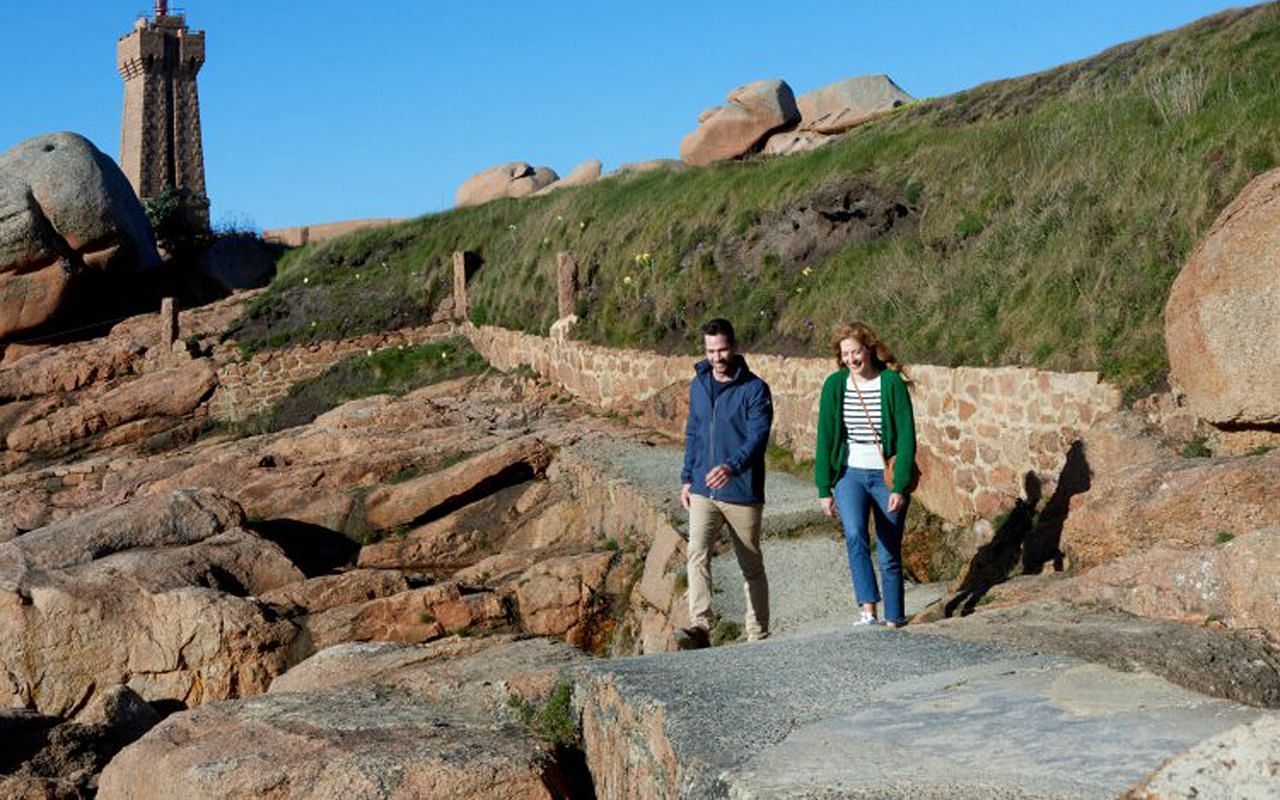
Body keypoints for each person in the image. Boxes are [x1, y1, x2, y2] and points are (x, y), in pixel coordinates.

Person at [678, 318, 774, 649]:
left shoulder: (754, 388)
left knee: (750, 563)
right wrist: (687, 477)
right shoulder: (699, 383)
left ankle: (758, 633)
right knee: (696, 553)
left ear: (733, 347)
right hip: (704, 489)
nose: (717, 357)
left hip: (741, 492)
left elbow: (758, 437)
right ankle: (700, 625)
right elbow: (693, 432)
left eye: (722, 350)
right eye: (710, 351)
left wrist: (732, 467)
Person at [813, 322, 917, 628]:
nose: (852, 359)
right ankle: (868, 611)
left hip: (885, 477)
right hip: (850, 475)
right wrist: (823, 488)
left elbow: (908, 437)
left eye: (856, 351)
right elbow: (825, 437)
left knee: (888, 549)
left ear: (869, 348)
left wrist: (899, 486)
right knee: (856, 535)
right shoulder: (835, 385)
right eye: (845, 354)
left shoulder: (891, 383)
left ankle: (894, 616)